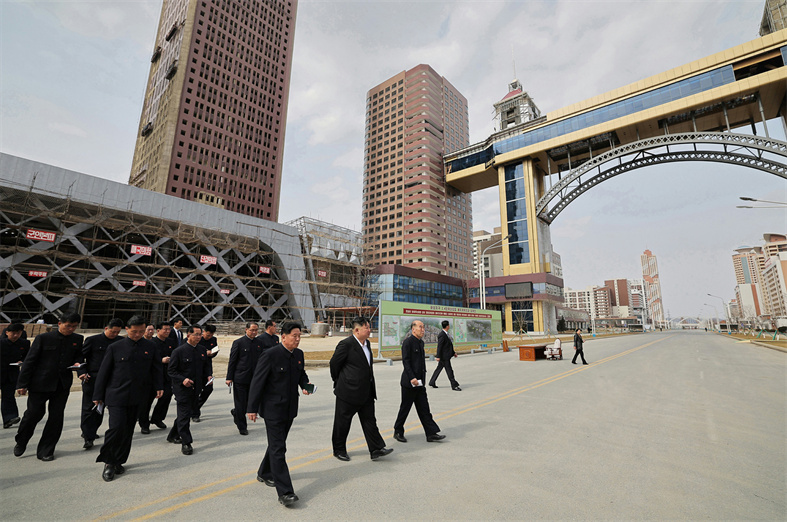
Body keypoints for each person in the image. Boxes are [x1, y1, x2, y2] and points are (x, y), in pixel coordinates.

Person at [247, 321, 311, 507]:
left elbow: (301, 374)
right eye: (294, 336)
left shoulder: (298, 354)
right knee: (279, 449)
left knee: (277, 444)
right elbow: (257, 382)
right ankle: (285, 492)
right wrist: (251, 408)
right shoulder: (270, 355)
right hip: (273, 409)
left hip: (289, 409)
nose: (297, 339)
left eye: (299, 336)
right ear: (283, 337)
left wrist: (305, 385)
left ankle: (264, 472)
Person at [93, 315, 163, 481]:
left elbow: (156, 368)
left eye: (141, 331)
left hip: (138, 395)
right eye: (134, 332)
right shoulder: (115, 347)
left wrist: (159, 386)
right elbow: (104, 372)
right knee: (116, 428)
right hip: (117, 394)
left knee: (128, 430)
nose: (138, 334)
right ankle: (109, 462)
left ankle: (119, 460)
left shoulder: (150, 346)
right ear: (127, 329)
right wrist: (98, 395)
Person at [14, 313, 84, 461]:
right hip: (40, 383)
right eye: (68, 326)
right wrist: (22, 384)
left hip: (62, 385)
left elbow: (79, 356)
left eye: (74, 326)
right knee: (33, 414)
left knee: (56, 418)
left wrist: (78, 364)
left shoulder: (77, 339)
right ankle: (21, 440)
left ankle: (46, 450)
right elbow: (30, 361)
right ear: (60, 324)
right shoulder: (43, 338)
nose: (71, 329)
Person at [329, 317, 393, 462]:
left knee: (370, 420)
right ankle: (339, 450)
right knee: (342, 422)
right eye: (367, 328)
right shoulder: (346, 344)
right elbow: (334, 364)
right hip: (348, 392)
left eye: (369, 327)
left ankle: (376, 449)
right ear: (357, 330)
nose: (369, 330)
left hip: (366, 391)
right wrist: (339, 381)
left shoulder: (367, 344)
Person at [393, 320, 445, 443]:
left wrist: (421, 379)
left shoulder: (421, 343)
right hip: (409, 383)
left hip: (420, 383)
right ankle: (398, 431)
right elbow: (406, 362)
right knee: (405, 408)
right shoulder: (408, 342)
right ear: (413, 329)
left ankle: (431, 433)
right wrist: (412, 378)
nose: (423, 330)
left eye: (423, 327)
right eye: (420, 327)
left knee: (424, 409)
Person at [78, 318, 124, 449]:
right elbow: (81, 358)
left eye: (117, 332)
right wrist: (82, 372)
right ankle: (88, 436)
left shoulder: (120, 342)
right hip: (93, 378)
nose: (114, 334)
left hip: (111, 379)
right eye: (113, 331)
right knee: (89, 408)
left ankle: (92, 430)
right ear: (106, 328)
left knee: (101, 408)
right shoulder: (92, 340)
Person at [167, 325, 212, 455]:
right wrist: (183, 379)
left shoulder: (202, 350)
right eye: (196, 334)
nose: (199, 337)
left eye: (200, 334)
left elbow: (206, 366)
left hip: (196, 388)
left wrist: (208, 375)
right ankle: (186, 442)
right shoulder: (179, 351)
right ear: (188, 335)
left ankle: (173, 435)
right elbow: (171, 371)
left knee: (185, 414)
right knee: (185, 415)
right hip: (182, 389)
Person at [226, 322, 263, 436]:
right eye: (252, 330)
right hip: (240, 378)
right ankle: (242, 427)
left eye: (256, 330)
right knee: (240, 403)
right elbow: (232, 361)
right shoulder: (239, 343)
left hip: (254, 378)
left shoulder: (259, 343)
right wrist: (229, 377)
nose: (254, 332)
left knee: (249, 402)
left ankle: (236, 413)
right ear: (246, 330)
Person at [139, 321, 176, 433]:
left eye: (169, 329)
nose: (168, 331)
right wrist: (161, 360)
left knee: (166, 396)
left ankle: (157, 418)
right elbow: (146, 360)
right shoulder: (151, 343)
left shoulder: (171, 342)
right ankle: (144, 424)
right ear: (158, 330)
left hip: (166, 375)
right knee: (147, 401)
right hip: (152, 376)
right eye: (165, 329)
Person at [1, 323, 30, 429]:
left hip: (12, 373)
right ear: (7, 332)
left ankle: (9, 418)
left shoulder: (24, 343)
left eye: (18, 333)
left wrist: (22, 361)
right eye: (13, 333)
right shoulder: (1, 343)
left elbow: (28, 356)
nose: (15, 335)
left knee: (8, 396)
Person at [194, 324, 219, 421]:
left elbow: (215, 350)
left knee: (208, 389)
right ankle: (195, 413)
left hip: (207, 368)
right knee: (196, 391)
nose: (209, 337)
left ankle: (196, 407)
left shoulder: (213, 340)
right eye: (208, 335)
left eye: (211, 335)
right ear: (203, 331)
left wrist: (212, 353)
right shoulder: (197, 339)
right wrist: (205, 353)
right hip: (195, 368)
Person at [428, 320, 461, 391]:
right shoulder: (442, 335)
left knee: (438, 369)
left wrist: (453, 353)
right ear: (447, 326)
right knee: (449, 371)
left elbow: (448, 346)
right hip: (444, 357)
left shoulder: (445, 334)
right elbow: (439, 346)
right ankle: (454, 385)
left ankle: (432, 382)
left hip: (445, 356)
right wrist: (438, 356)